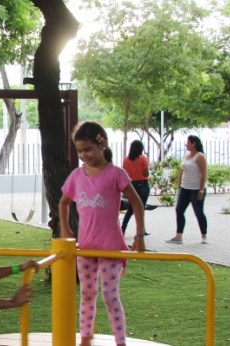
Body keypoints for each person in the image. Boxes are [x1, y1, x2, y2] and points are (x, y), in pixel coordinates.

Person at [58, 122, 146, 346]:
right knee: (87, 293)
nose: (83, 155)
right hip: (86, 246)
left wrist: (139, 236)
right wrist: (66, 228)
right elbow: (64, 202)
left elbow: (136, 203)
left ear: (102, 144)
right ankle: (85, 338)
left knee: (109, 295)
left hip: (110, 246)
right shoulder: (77, 176)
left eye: (87, 149)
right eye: (79, 150)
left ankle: (120, 341)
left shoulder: (115, 174)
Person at [167, 135, 208, 244]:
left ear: (194, 143)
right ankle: (178, 236)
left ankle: (204, 235)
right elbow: (182, 171)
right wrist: (179, 184)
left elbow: (204, 173)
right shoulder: (186, 156)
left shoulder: (200, 156)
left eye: (188, 142)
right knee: (179, 210)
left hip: (196, 189)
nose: (186, 144)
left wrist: (201, 190)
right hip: (185, 188)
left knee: (198, 212)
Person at [121, 140, 151, 236]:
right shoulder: (143, 159)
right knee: (141, 208)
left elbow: (124, 173)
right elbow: (146, 173)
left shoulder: (126, 160)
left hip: (132, 185)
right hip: (143, 185)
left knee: (130, 209)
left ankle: (123, 229)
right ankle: (140, 230)